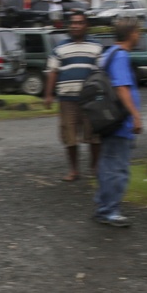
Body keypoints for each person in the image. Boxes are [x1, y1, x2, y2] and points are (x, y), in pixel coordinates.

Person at [44, 10, 105, 182]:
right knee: (69, 135)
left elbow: (102, 73)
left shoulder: (97, 47)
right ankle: (74, 170)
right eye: (73, 23)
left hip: (91, 100)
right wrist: (48, 95)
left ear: (86, 25)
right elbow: (52, 72)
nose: (75, 26)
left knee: (94, 136)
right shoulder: (60, 48)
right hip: (67, 100)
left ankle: (95, 168)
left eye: (79, 22)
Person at [94, 18, 144, 227]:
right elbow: (122, 87)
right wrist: (135, 115)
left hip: (109, 121)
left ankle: (103, 207)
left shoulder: (109, 53)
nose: (139, 35)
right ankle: (109, 211)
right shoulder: (121, 56)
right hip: (120, 123)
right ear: (131, 34)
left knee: (107, 165)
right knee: (118, 168)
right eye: (138, 32)